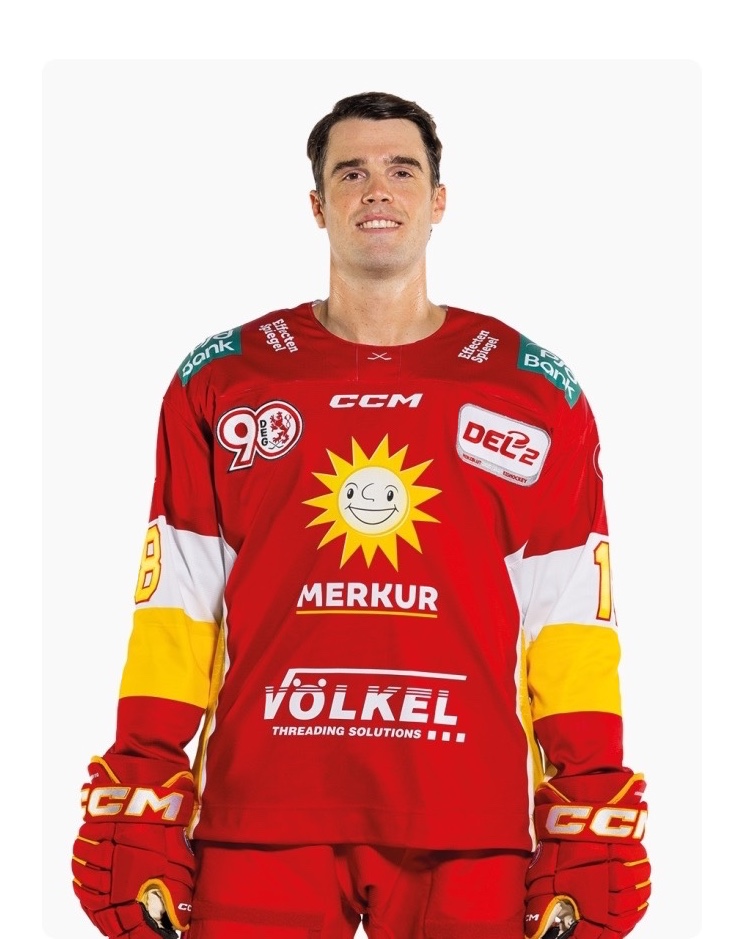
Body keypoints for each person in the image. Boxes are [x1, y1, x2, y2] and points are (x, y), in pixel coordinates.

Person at [71, 91, 651, 939]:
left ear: (439, 200)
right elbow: (177, 606)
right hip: (262, 814)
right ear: (317, 204)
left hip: (468, 821)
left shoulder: (532, 391)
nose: (377, 189)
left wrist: (588, 797)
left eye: (401, 170)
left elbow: (570, 621)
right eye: (351, 172)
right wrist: (144, 776)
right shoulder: (224, 380)